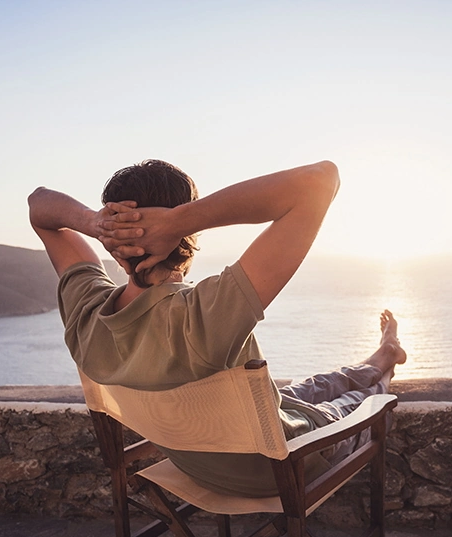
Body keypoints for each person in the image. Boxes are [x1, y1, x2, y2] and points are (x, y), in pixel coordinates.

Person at [28, 159, 406, 497]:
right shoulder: (202, 315)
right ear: (187, 235)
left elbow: (38, 205)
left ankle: (382, 353)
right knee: (365, 401)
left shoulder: (87, 314)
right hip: (286, 467)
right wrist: (178, 222)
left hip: (203, 469)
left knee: (310, 389)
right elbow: (321, 180)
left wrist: (97, 224)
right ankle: (384, 365)